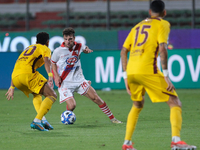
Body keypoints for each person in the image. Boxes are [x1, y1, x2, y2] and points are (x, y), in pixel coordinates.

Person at [120, 0, 196, 150]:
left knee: (137, 104)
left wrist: (125, 76)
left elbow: (123, 51)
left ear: (149, 12)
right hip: (148, 70)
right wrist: (166, 75)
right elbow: (162, 48)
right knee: (174, 101)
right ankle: (176, 142)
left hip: (132, 71)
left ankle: (127, 143)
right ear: (164, 12)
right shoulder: (163, 24)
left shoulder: (137, 26)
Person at [51, 27, 122, 124]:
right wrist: (56, 76)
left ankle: (113, 119)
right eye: (66, 39)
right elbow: (53, 62)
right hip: (65, 83)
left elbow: (85, 48)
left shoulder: (79, 46)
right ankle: (67, 116)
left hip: (79, 81)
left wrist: (87, 50)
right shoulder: (58, 51)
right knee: (72, 106)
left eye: (70, 39)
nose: (68, 41)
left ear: (74, 38)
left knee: (96, 98)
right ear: (63, 39)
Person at [5, 32, 57, 131]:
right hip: (28, 75)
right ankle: (37, 121)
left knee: (37, 94)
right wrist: (50, 76)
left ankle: (43, 120)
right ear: (48, 42)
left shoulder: (28, 48)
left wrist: (12, 87)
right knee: (52, 95)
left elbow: (17, 65)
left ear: (36, 41)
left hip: (15, 78)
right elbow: (47, 61)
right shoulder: (45, 48)